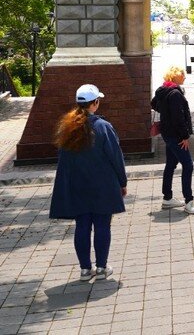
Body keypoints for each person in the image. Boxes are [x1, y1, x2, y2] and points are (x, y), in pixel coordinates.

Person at [50, 85, 127, 281]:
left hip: (77, 184)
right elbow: (115, 157)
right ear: (95, 103)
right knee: (102, 224)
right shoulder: (103, 126)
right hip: (102, 184)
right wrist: (122, 181)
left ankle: (85, 269)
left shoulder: (67, 127)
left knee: (82, 225)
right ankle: (101, 268)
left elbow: (63, 159)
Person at [151, 66, 194, 215]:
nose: (184, 77)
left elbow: (154, 104)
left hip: (167, 133)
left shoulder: (163, 90)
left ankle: (167, 198)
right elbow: (179, 118)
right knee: (188, 165)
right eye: (182, 75)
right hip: (176, 135)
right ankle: (189, 201)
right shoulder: (175, 94)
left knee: (171, 164)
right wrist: (185, 136)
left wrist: (165, 111)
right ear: (175, 77)